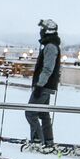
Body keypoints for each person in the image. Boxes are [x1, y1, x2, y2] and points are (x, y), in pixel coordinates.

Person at [27, 18, 61, 149]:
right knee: (43, 113)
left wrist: (39, 85)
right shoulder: (49, 45)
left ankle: (37, 141)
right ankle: (48, 140)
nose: (40, 32)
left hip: (44, 86)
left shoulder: (51, 46)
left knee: (30, 113)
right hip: (46, 86)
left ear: (47, 31)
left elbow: (48, 68)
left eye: (42, 29)